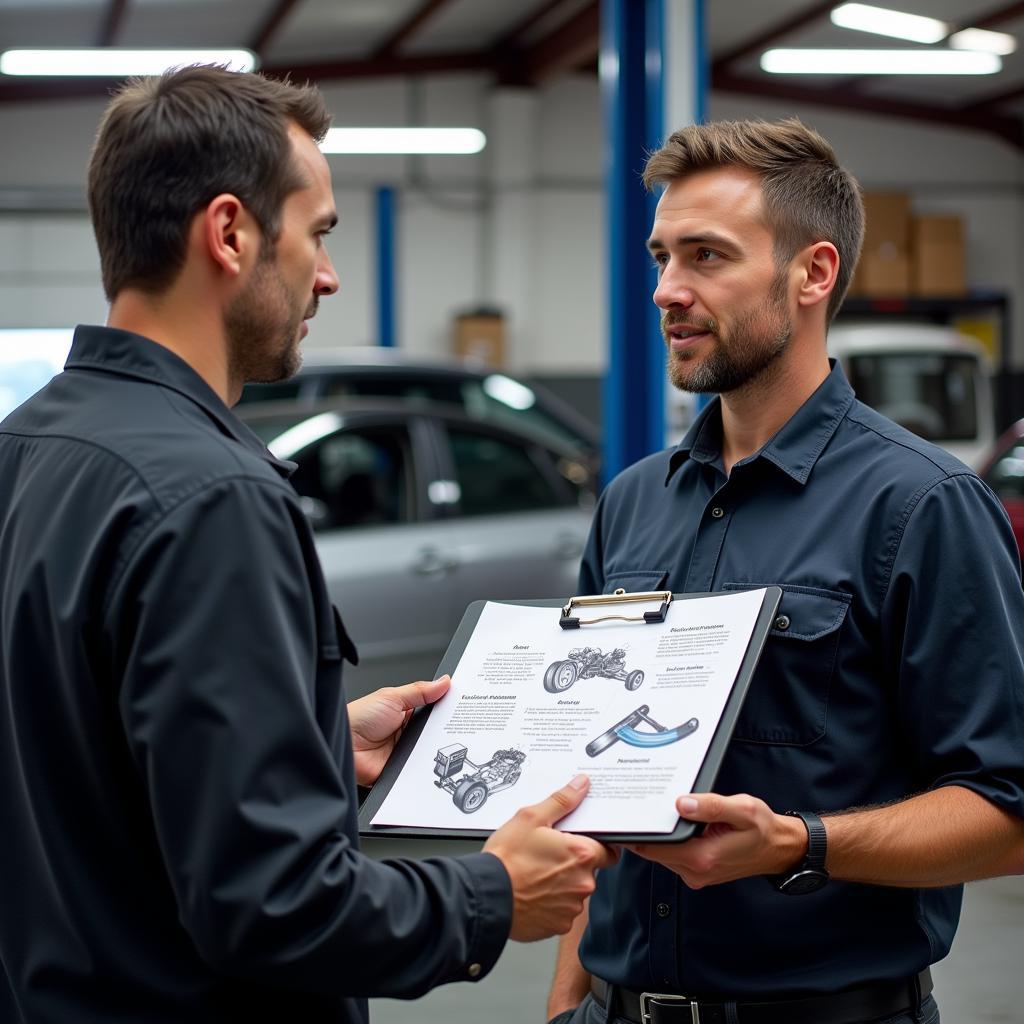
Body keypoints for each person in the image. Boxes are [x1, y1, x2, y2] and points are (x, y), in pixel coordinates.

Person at [0, 65, 615, 1024]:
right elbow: (271, 906)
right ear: (232, 233)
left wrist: (319, 743)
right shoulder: (212, 498)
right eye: (320, 233)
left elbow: (87, 763)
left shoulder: (26, 449)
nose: (328, 275)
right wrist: (493, 893)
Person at [546, 118, 1024, 1024]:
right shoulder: (634, 502)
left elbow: (1008, 811)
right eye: (660, 257)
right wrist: (570, 998)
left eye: (706, 257)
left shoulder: (922, 507)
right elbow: (598, 790)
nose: (666, 291)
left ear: (813, 273)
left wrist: (800, 844)